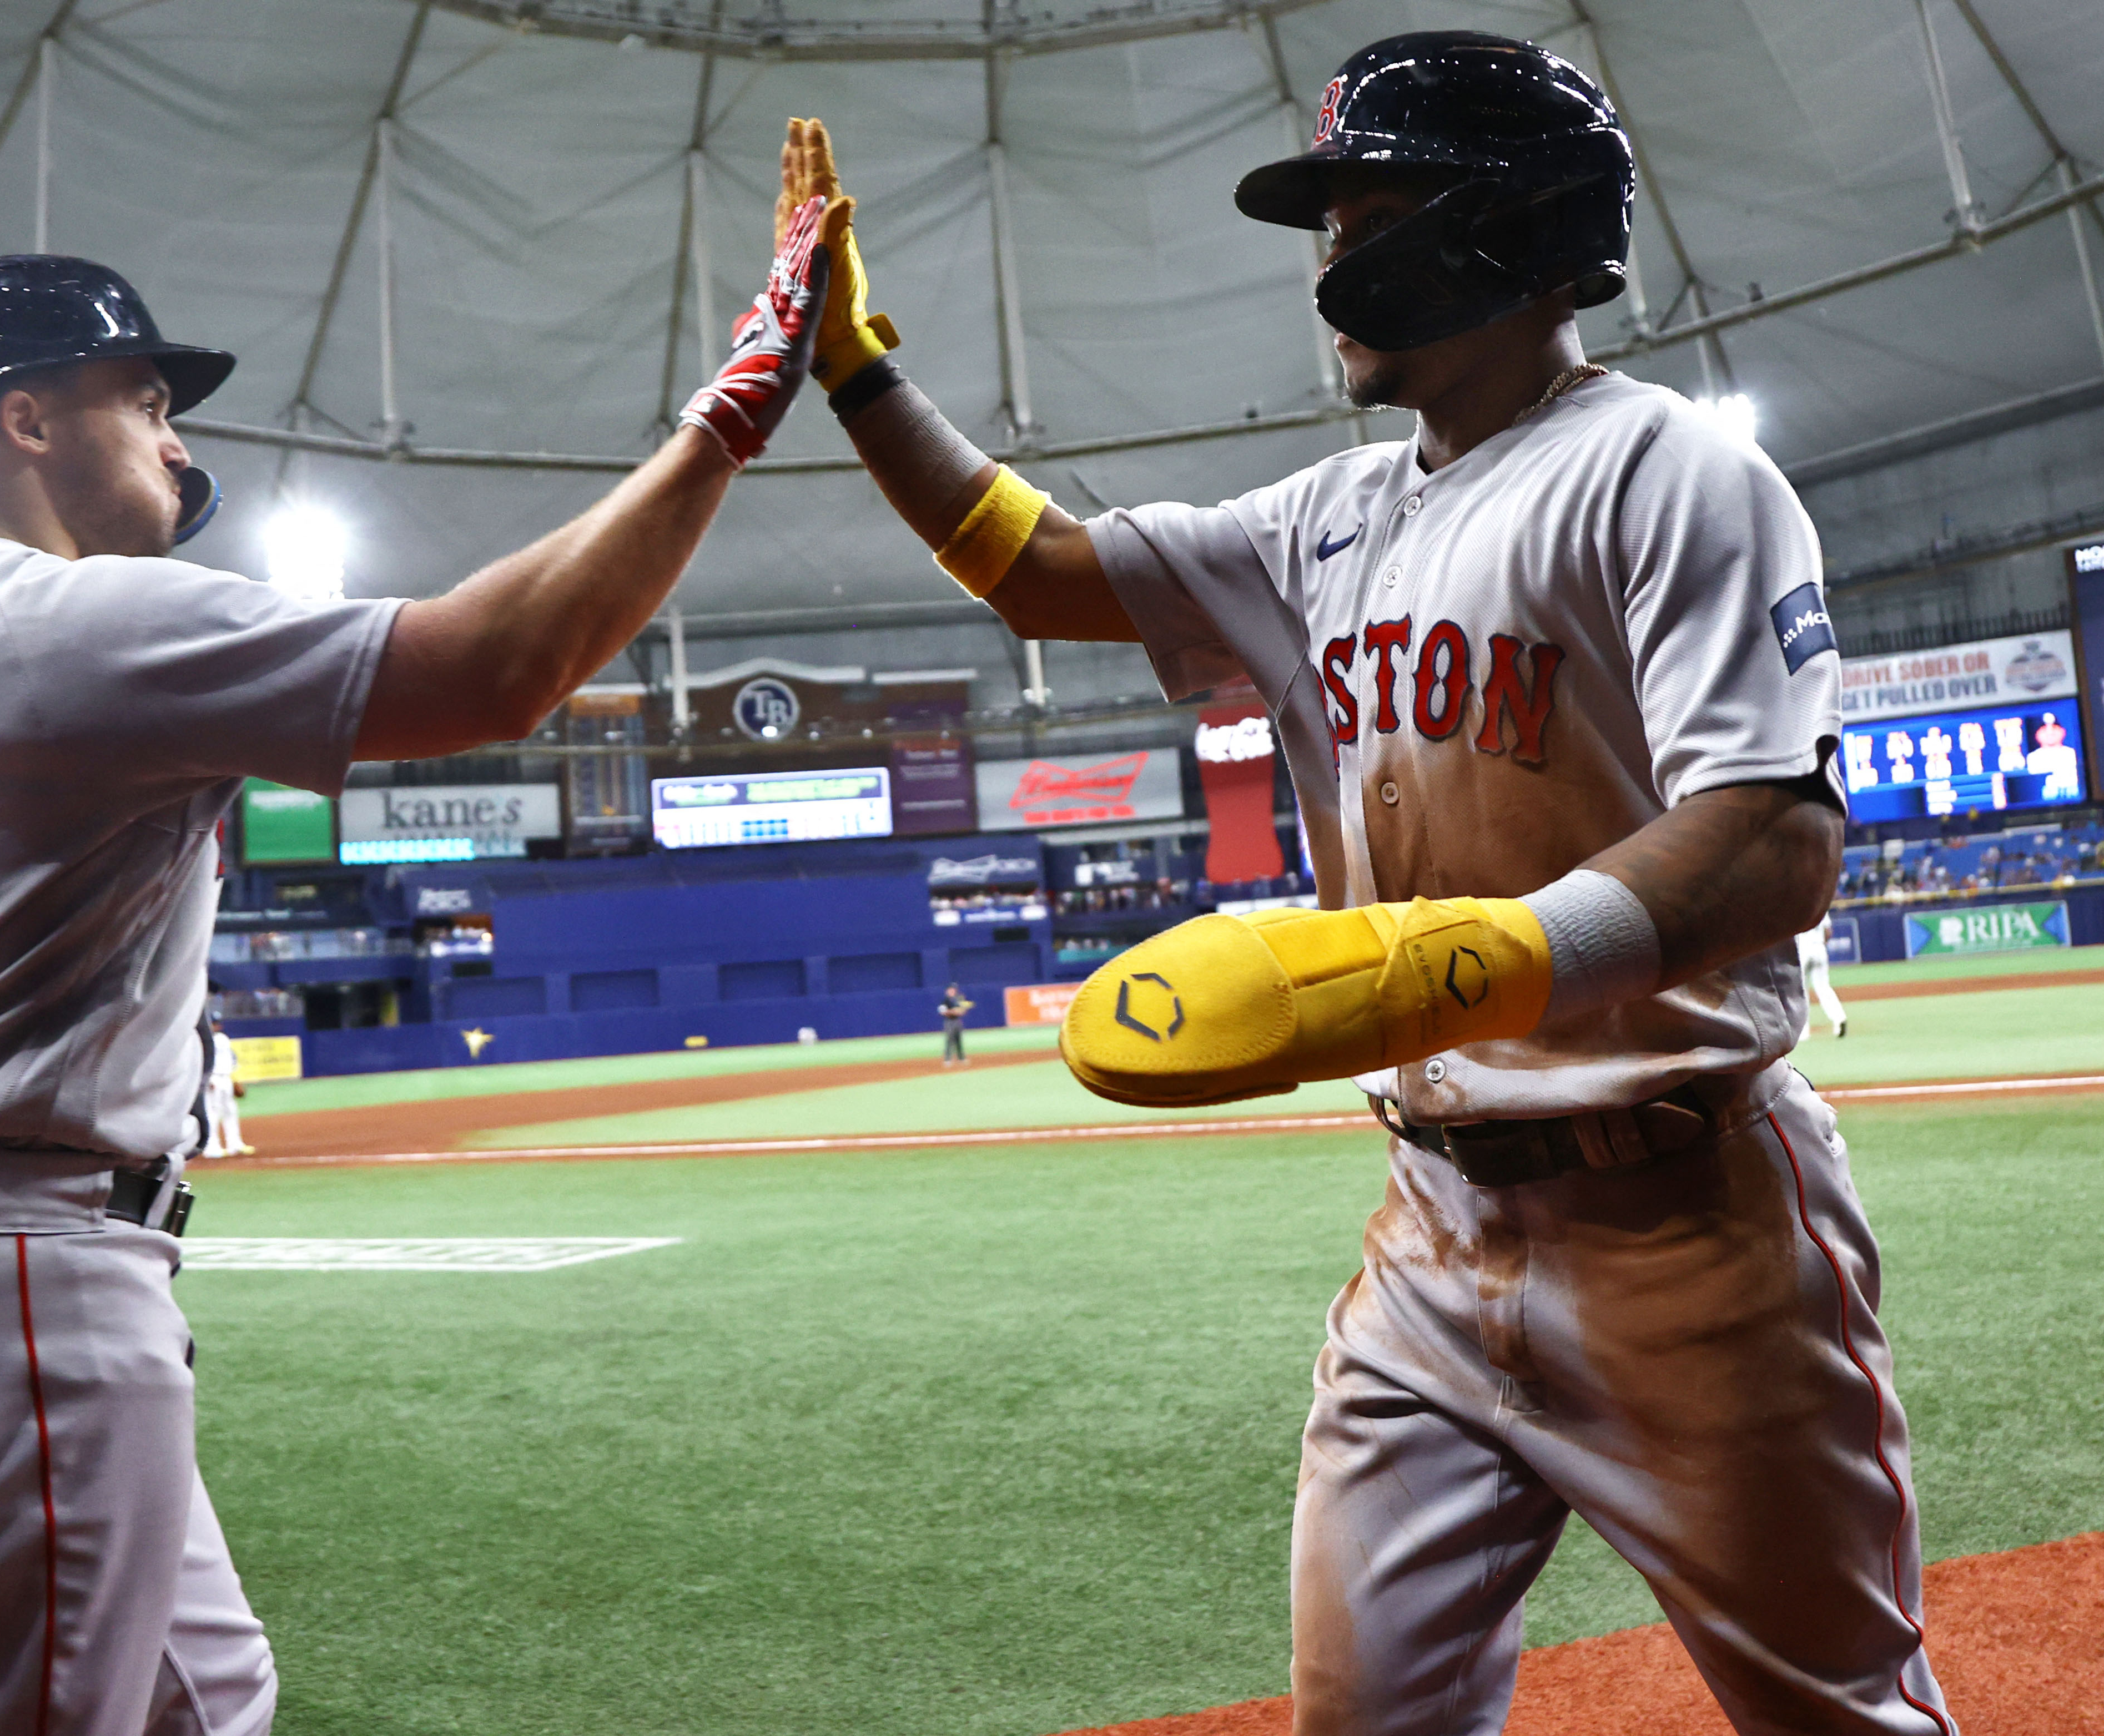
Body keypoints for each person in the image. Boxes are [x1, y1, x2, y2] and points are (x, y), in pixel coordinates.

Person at [787, 29, 1951, 1735]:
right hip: (1431, 1229)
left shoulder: (1671, 472)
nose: (1330, 258)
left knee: (1837, 1715)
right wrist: (854, 370)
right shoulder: (1316, 521)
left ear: (1503, 226)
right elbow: (1033, 566)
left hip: (1687, 1220)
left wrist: (1444, 966)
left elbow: (1775, 838)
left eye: (1366, 208)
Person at [0, 203, 828, 1736]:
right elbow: (493, 669)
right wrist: (725, 419)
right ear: (27, 416)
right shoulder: (75, 626)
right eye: (140, 402)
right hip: (9, 1298)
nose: (174, 444)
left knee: (208, 1707)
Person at [202, 1013, 254, 1159]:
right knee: (213, 1113)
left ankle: (235, 1144)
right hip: (213, 1079)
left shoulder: (223, 1039)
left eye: (217, 1022)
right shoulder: (202, 1039)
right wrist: (207, 1079)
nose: (217, 1025)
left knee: (230, 1110)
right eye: (213, 1023)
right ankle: (212, 1147)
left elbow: (231, 1059)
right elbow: (199, 1060)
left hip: (226, 1079)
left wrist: (235, 1079)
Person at [1798, 920, 1850, 1039]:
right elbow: (1828, 932)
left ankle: (1803, 1031)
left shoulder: (1795, 905)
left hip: (1803, 949)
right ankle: (1839, 1019)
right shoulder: (1820, 903)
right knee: (1823, 988)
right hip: (1819, 947)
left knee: (1800, 991)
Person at [938, 981, 974, 1066]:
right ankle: (947, 1060)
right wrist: (954, 1012)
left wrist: (961, 1011)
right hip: (949, 1022)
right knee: (949, 1040)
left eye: (954, 989)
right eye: (951, 989)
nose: (953, 991)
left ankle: (961, 1058)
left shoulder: (958, 999)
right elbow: (942, 1012)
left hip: (958, 1021)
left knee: (959, 1040)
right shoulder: (945, 1001)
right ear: (948, 991)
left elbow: (963, 1010)